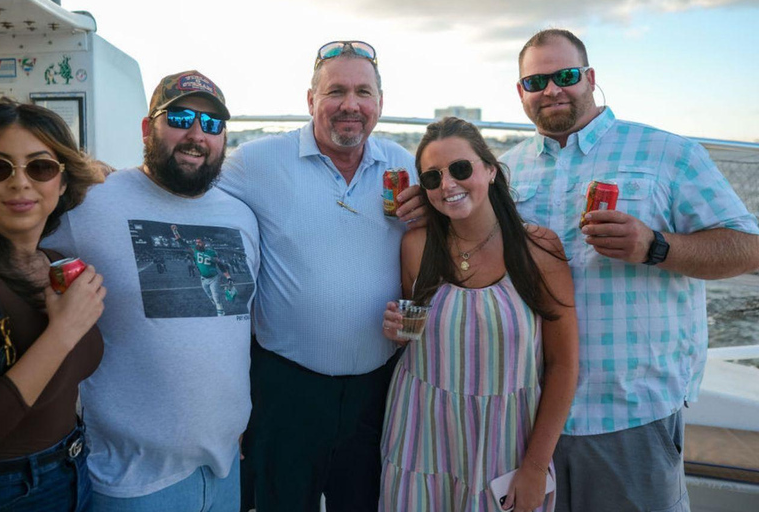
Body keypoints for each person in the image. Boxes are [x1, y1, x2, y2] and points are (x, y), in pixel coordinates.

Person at [500, 28, 759, 512]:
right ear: (521, 93)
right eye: (536, 82)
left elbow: (747, 248)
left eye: (567, 75)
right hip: (528, 417)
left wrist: (654, 246)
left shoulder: (668, 153)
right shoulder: (506, 171)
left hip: (631, 412)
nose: (552, 90)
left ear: (591, 79)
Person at [218, 41, 424, 511]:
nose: (350, 105)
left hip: (378, 390)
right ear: (310, 101)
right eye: (335, 92)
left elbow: (469, 213)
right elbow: (188, 192)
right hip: (287, 390)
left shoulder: (406, 166)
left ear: (380, 104)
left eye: (362, 92)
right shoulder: (259, 161)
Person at [43, 71, 260, 511]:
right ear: (147, 128)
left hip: (224, 472)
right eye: (180, 117)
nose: (197, 135)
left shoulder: (242, 217)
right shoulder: (90, 202)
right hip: (131, 482)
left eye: (212, 124)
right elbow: (18, 251)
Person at [379, 117, 578, 512]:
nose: (448, 184)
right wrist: (398, 332)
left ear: (490, 169)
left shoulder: (538, 249)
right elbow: (417, 333)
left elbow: (563, 365)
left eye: (460, 169)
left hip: (506, 441)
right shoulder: (416, 245)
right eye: (432, 178)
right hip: (420, 432)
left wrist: (536, 466)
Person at [0, 98, 105, 511]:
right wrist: (63, 331)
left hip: (74, 471)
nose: (20, 183)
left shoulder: (58, 264)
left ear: (61, 181)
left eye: (39, 167)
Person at [172, 227, 233, 316]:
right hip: (203, 279)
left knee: (216, 298)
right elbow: (181, 242)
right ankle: (216, 304)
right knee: (210, 296)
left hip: (214, 278)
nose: (197, 244)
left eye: (199, 242)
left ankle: (221, 314)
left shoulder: (211, 253)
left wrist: (229, 277)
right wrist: (175, 231)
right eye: (196, 242)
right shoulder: (194, 250)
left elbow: (220, 265)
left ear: (204, 243)